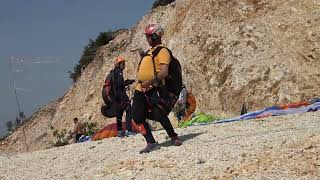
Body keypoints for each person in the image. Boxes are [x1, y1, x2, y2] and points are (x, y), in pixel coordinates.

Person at [131, 24, 182, 154]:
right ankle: (151, 142)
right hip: (140, 88)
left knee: (159, 113)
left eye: (148, 36)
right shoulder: (150, 51)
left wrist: (149, 83)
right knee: (137, 116)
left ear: (155, 36)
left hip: (153, 87)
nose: (147, 39)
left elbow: (164, 72)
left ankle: (173, 136)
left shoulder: (163, 51)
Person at [113, 56, 136, 137]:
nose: (124, 65)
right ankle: (129, 130)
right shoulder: (119, 72)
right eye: (123, 64)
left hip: (116, 98)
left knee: (119, 115)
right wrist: (128, 82)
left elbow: (117, 85)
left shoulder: (113, 72)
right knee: (129, 111)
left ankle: (120, 132)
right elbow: (120, 84)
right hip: (121, 96)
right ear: (118, 65)